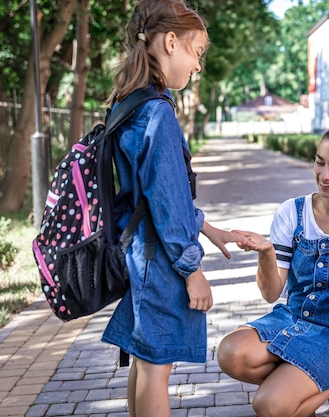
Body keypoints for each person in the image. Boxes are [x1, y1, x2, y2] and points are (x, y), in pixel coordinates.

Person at [100, 1, 245, 417]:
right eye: (196, 53)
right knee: (156, 369)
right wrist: (193, 271)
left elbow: (157, 194)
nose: (197, 65)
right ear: (169, 42)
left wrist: (208, 227)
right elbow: (165, 201)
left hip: (141, 251)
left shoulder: (129, 103)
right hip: (160, 259)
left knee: (145, 363)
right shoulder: (157, 113)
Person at [217, 124, 329, 417]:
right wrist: (266, 253)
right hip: (293, 320)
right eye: (319, 162)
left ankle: (324, 383)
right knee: (230, 353)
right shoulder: (292, 212)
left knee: (269, 406)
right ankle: (324, 384)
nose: (324, 175)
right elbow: (272, 293)